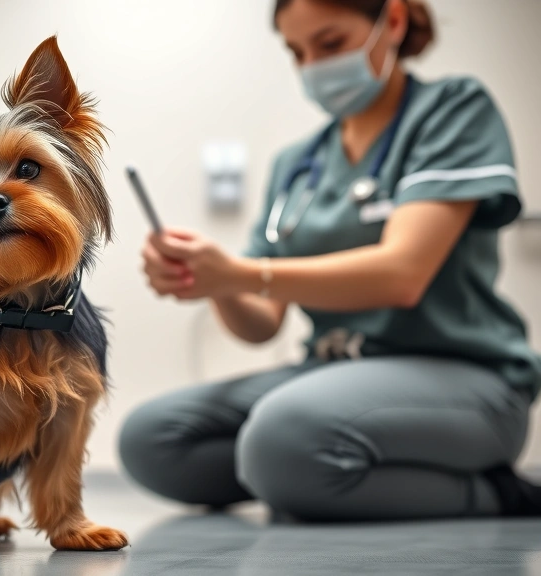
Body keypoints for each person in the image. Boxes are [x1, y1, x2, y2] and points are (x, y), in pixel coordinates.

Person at [119, 0, 541, 520]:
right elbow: (261, 323)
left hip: (466, 379)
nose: (312, 66)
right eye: (296, 52)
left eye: (331, 43)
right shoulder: (295, 166)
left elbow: (402, 275)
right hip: (329, 374)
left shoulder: (452, 110)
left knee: (285, 438)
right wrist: (216, 283)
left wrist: (242, 272)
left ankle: (501, 494)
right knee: (152, 439)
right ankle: (304, 467)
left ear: (392, 20)